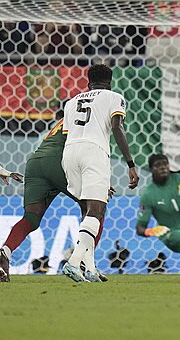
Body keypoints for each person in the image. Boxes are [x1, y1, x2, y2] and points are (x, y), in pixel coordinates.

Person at [0, 114, 111, 283]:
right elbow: (85, 149)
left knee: (31, 218)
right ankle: (84, 263)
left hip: (36, 162)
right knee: (95, 208)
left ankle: (5, 252)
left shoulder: (70, 114)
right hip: (61, 162)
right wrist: (97, 179)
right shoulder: (95, 118)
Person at [61, 64, 139, 282]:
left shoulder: (71, 102)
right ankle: (74, 263)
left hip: (69, 153)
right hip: (94, 151)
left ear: (88, 82)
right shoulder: (114, 97)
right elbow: (116, 127)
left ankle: (91, 269)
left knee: (87, 212)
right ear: (110, 82)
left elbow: (67, 133)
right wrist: (130, 163)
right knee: (96, 211)